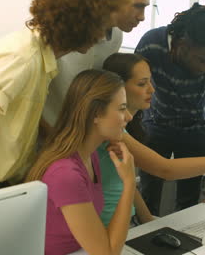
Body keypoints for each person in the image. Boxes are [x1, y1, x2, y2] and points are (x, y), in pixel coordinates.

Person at [0, 0, 131, 202]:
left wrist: (60, 142)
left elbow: (22, 112)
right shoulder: (23, 59)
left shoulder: (42, 59)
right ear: (79, 23)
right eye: (100, 26)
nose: (101, 37)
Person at [135, 3, 205, 215]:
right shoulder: (152, 44)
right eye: (201, 60)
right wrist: (129, 136)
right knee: (148, 193)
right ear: (181, 44)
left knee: (188, 200)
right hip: (155, 124)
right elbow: (132, 90)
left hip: (196, 128)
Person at [99, 53, 205, 225]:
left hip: (126, 220)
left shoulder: (124, 129)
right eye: (142, 84)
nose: (152, 89)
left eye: (150, 81)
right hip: (109, 226)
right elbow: (166, 169)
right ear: (118, 88)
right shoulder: (111, 133)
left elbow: (125, 183)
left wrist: (148, 220)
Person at [25, 70, 135, 255]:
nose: (129, 117)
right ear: (96, 114)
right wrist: (129, 182)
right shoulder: (66, 174)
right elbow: (106, 253)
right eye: (122, 108)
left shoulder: (89, 156)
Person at [42, 0, 150, 128]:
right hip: (46, 131)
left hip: (81, 132)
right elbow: (33, 95)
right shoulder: (62, 31)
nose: (142, 17)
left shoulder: (116, 37)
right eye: (138, 6)